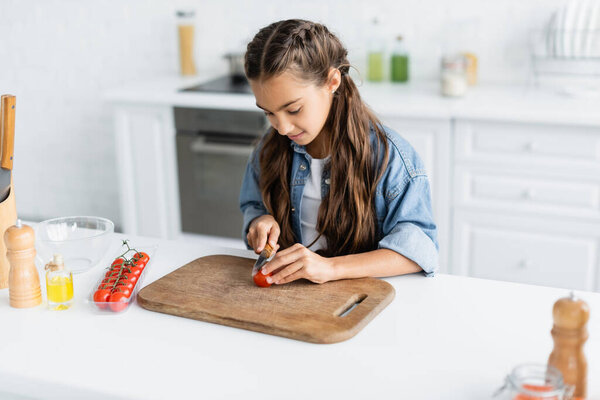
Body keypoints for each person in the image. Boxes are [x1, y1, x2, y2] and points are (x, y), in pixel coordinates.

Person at [239, 19, 438, 285]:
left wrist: (331, 268)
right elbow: (253, 205)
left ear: (332, 81)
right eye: (269, 112)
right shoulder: (269, 148)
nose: (282, 127)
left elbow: (418, 251)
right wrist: (261, 221)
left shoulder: (390, 157)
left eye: (294, 109)